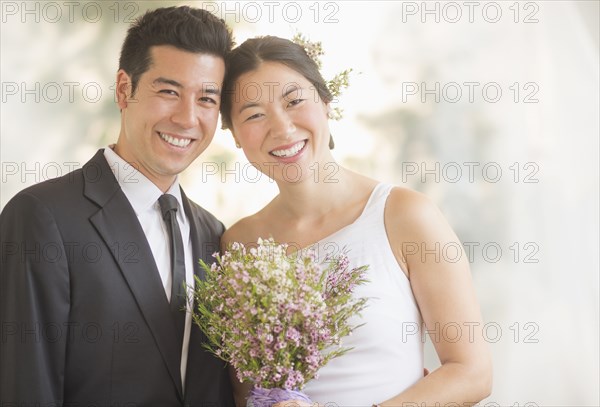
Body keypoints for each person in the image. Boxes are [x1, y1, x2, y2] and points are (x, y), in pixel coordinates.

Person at [219, 36, 493, 406]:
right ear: (235, 135)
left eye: (294, 101)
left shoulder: (404, 215)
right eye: (254, 114)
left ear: (326, 102)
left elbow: (471, 373)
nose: (281, 128)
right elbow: (243, 391)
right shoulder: (240, 244)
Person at [0, 6, 235, 405]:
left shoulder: (216, 235)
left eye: (207, 99)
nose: (187, 118)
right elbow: (26, 385)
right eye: (169, 91)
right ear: (124, 89)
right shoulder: (42, 216)